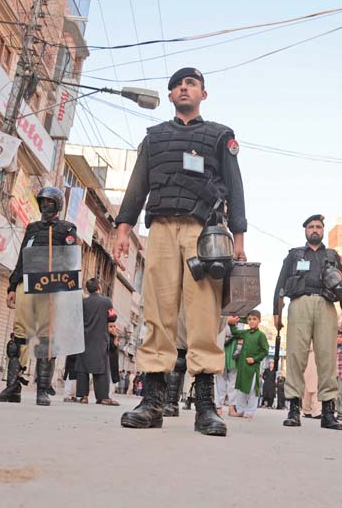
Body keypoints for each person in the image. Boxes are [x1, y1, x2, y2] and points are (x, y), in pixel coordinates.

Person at [114, 67, 247, 437]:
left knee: (203, 314)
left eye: (191, 83)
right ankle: (152, 401)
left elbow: (235, 187)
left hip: (205, 232)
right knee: (158, 310)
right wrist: (123, 228)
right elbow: (137, 183)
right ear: (170, 96)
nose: (183, 88)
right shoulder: (154, 138)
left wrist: (239, 238)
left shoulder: (220, 136)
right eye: (177, 85)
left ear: (204, 94)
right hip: (160, 229)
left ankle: (205, 406)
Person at [0, 186, 77, 406]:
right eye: (42, 202)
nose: (45, 205)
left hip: (51, 287)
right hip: (27, 283)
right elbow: (21, 257)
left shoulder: (67, 228)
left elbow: (71, 260)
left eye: (49, 202)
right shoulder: (32, 228)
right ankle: (12, 387)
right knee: (18, 337)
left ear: (57, 204)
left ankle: (43, 390)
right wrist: (12, 286)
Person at [274, 214, 342, 430]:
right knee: (296, 356)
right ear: (305, 230)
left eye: (318, 227)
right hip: (299, 303)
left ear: (323, 230)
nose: (314, 230)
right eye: (311, 227)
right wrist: (276, 312)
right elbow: (281, 283)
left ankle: (328, 411)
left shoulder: (332, 255)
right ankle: (294, 409)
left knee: (326, 357)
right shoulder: (294, 255)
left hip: (326, 305)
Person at [72, 278, 120, 406]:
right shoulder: (106, 301)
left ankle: (83, 396)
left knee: (82, 368)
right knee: (101, 369)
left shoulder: (83, 302)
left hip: (84, 339)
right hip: (100, 340)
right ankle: (103, 397)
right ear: (99, 286)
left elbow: (76, 318)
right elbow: (113, 317)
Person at [231, 310, 269, 419]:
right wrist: (234, 322)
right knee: (241, 389)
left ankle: (250, 411)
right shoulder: (245, 333)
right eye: (249, 319)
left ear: (259, 321)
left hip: (252, 368)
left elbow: (265, 351)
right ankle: (241, 410)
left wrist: (255, 359)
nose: (251, 321)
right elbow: (235, 332)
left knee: (252, 390)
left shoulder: (261, 335)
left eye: (254, 319)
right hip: (242, 366)